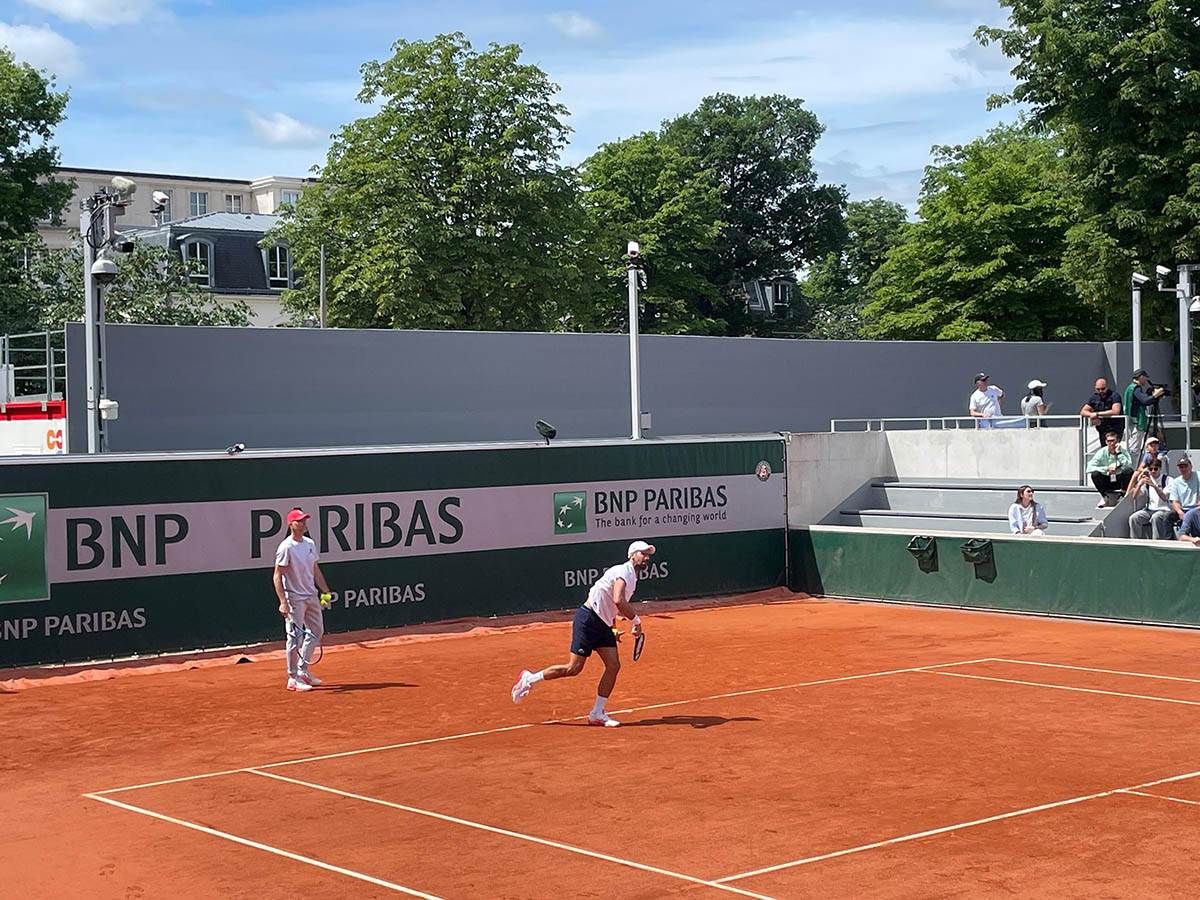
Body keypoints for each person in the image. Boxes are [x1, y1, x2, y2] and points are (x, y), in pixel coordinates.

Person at [510, 541, 654, 727]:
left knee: (613, 666)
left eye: (648, 555)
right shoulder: (623, 571)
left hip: (603, 625)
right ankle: (529, 679)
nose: (647, 558)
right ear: (632, 555)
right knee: (573, 668)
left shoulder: (633, 578)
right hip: (588, 620)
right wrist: (636, 621)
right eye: (643, 553)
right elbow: (618, 600)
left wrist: (613, 627)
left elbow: (609, 603)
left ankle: (597, 713)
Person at [273, 508, 332, 692]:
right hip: (294, 599)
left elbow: (315, 569)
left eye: (305, 520)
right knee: (294, 638)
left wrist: (325, 591)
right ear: (291, 524)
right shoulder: (285, 547)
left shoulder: (309, 544)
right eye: (300, 521)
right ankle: (292, 678)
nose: (304, 523)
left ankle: (302, 671)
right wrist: (283, 601)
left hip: (311, 596)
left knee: (316, 631)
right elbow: (277, 576)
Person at [1122, 369, 1167, 461]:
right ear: (1141, 377)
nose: (1146, 381)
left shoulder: (1130, 388)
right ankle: (1133, 470)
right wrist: (1156, 394)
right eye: (1145, 378)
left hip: (1131, 422)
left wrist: (1151, 395)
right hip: (1136, 423)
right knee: (1134, 450)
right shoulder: (1136, 388)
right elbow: (1145, 401)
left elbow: (1140, 401)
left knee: (1134, 449)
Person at [1086, 431, 1134, 506]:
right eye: (1109, 441)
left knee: (1128, 471)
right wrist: (1106, 469)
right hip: (1107, 479)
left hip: (1119, 480)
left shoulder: (1123, 451)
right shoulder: (1101, 452)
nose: (1111, 443)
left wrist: (1119, 453)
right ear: (1106, 441)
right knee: (1095, 474)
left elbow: (1129, 465)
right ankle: (1105, 497)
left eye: (1113, 440)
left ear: (1117, 441)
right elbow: (1089, 467)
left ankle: (1121, 495)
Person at [1126, 459, 1170, 539]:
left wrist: (1154, 485)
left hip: (1164, 509)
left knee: (1156, 517)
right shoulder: (1147, 480)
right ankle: (1135, 542)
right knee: (1134, 518)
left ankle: (1156, 543)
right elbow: (1135, 497)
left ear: (1160, 469)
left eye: (1155, 469)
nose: (1153, 471)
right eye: (1150, 469)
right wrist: (1139, 484)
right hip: (1149, 509)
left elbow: (1164, 498)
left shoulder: (1167, 480)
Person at [1160, 455, 1200, 540]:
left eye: (1185, 466)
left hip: (1197, 508)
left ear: (1191, 466)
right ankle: (1169, 542)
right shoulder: (1176, 482)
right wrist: (1179, 512)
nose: (1183, 469)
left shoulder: (1198, 476)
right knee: (1167, 517)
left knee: (1192, 516)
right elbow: (1175, 501)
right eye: (1181, 467)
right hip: (1183, 509)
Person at [1080, 378, 1123, 447]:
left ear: (1107, 387)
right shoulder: (1094, 398)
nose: (1100, 391)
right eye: (1098, 389)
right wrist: (1091, 415)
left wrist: (1097, 414)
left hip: (1115, 428)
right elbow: (1083, 411)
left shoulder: (1114, 396)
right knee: (1104, 449)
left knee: (1113, 448)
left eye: (1103, 389)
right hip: (1102, 429)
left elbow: (1116, 411)